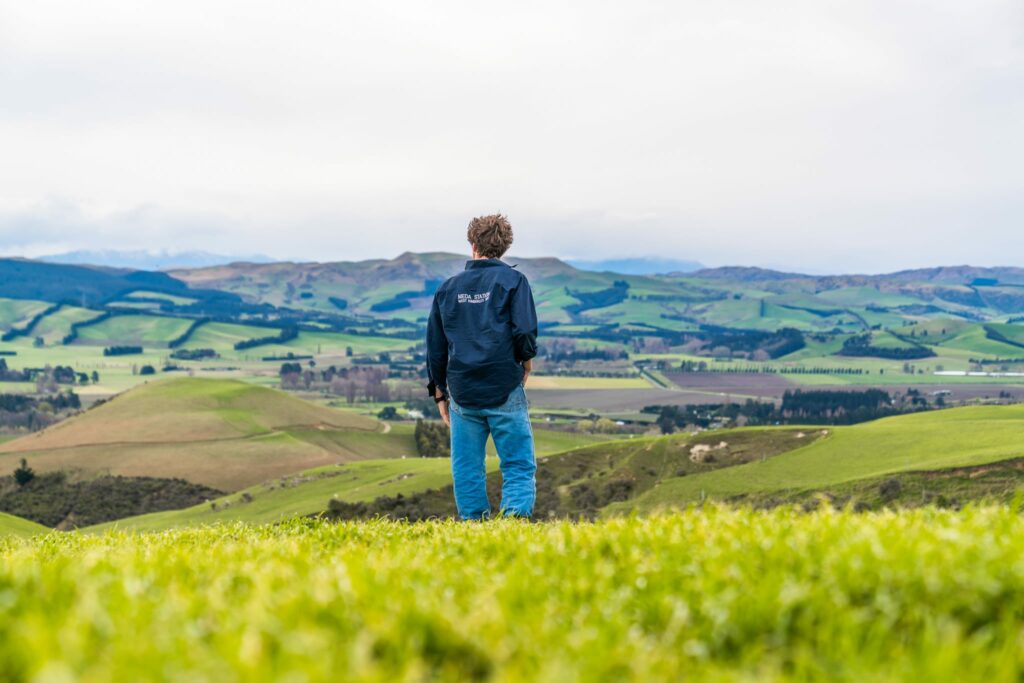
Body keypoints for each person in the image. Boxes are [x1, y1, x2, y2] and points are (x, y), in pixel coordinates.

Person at [426, 214, 539, 520]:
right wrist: (526, 362)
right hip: (504, 384)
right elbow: (525, 331)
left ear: (472, 244)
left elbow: (435, 348)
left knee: (467, 467)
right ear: (505, 246)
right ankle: (514, 522)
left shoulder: (448, 288)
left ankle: (473, 525)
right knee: (517, 463)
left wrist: (439, 393)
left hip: (463, 390)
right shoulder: (514, 281)